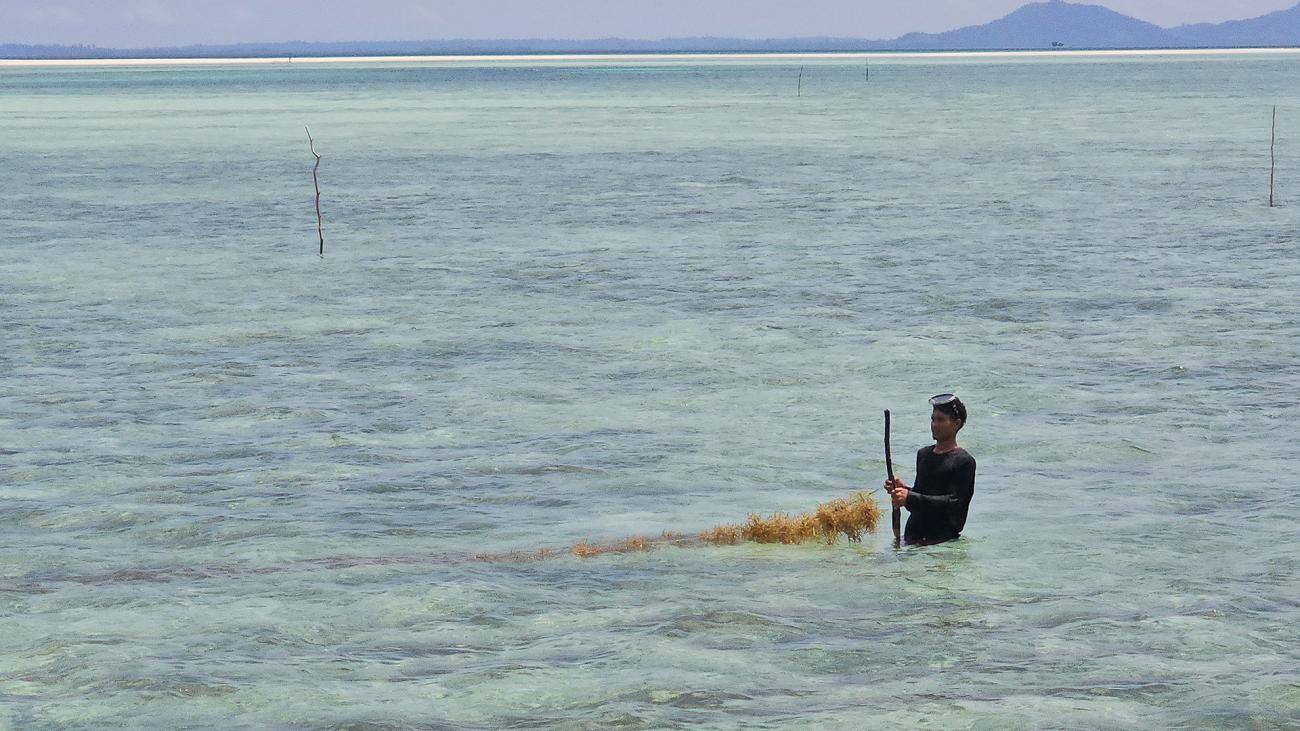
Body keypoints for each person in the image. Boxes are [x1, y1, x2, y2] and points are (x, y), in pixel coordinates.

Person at [886, 394, 976, 545]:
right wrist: (903, 491)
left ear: (956, 423)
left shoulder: (964, 462)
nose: (934, 424)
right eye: (933, 419)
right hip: (912, 539)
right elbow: (921, 499)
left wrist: (910, 498)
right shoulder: (924, 454)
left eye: (941, 420)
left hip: (941, 543)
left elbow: (954, 503)